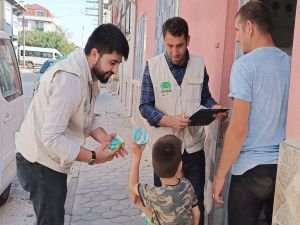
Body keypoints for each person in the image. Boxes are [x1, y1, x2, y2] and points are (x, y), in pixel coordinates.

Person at [15, 24, 129, 225]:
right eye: (112, 63)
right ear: (94, 53)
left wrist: (102, 136)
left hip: (48, 161)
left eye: (118, 64)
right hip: (40, 162)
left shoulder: (85, 73)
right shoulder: (70, 79)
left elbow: (84, 113)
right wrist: (94, 157)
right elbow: (51, 138)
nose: (115, 70)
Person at [139, 16, 227, 225]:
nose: (175, 51)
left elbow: (205, 96)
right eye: (170, 45)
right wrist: (169, 120)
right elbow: (144, 106)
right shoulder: (152, 67)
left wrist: (214, 107)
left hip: (193, 149)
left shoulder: (199, 65)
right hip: (165, 151)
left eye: (179, 45)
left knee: (197, 204)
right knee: (164, 208)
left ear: (188, 40)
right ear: (163, 40)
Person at [212, 2, 291, 225]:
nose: (236, 38)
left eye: (237, 30)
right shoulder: (291, 64)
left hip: (249, 172)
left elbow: (238, 128)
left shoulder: (244, 66)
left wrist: (220, 176)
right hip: (281, 171)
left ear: (249, 27)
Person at [129, 134, 200, 225]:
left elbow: (132, 186)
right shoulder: (187, 185)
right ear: (180, 166)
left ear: (154, 167)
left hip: (159, 217)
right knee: (141, 200)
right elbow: (197, 214)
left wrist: (137, 155)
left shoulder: (153, 193)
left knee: (137, 198)